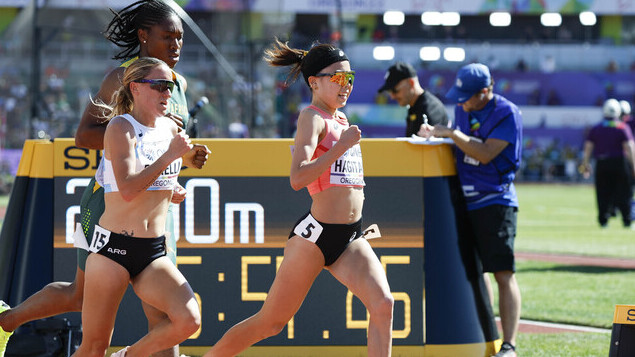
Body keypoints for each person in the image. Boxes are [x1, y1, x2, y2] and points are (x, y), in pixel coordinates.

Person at [0, 2, 209, 356]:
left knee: (164, 315)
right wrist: (148, 152)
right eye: (167, 37)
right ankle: (5, 322)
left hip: (154, 208)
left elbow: (161, 144)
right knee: (78, 296)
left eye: (180, 38)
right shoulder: (122, 78)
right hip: (108, 202)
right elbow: (85, 135)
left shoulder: (179, 84)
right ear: (143, 36)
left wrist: (185, 160)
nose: (176, 45)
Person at [203, 38, 394, 357]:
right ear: (314, 82)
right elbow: (298, 177)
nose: (345, 85)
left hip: (350, 237)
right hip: (315, 237)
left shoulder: (341, 120)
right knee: (270, 322)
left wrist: (341, 147)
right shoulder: (312, 118)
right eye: (337, 77)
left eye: (349, 78)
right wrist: (340, 148)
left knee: (384, 304)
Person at [74, 56, 201, 357]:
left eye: (170, 86)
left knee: (188, 320)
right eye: (159, 86)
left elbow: (155, 183)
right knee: (93, 348)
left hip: (151, 252)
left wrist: (172, 190)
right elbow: (128, 188)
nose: (168, 93)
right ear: (136, 88)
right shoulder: (120, 127)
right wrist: (170, 157)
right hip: (112, 250)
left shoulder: (170, 129)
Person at [418, 63, 522, 357]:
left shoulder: (507, 113)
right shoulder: (464, 110)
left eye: (467, 96)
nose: (461, 101)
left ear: (486, 92)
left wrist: (449, 133)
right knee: (478, 273)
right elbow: (462, 147)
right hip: (465, 201)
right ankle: (487, 336)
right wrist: (437, 137)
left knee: (503, 272)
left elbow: (486, 153)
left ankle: (510, 344)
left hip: (495, 201)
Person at [581, 99, 635, 228]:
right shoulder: (622, 127)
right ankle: (627, 220)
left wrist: (585, 164)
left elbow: (588, 147)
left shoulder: (597, 127)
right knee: (624, 191)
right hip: (619, 163)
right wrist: (633, 166)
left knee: (602, 192)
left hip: (602, 163)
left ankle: (603, 220)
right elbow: (629, 147)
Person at [377, 61, 448, 136]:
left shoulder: (430, 109)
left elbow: (429, 146)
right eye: (389, 92)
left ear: (411, 83)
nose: (392, 96)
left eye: (395, 91)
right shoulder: (415, 105)